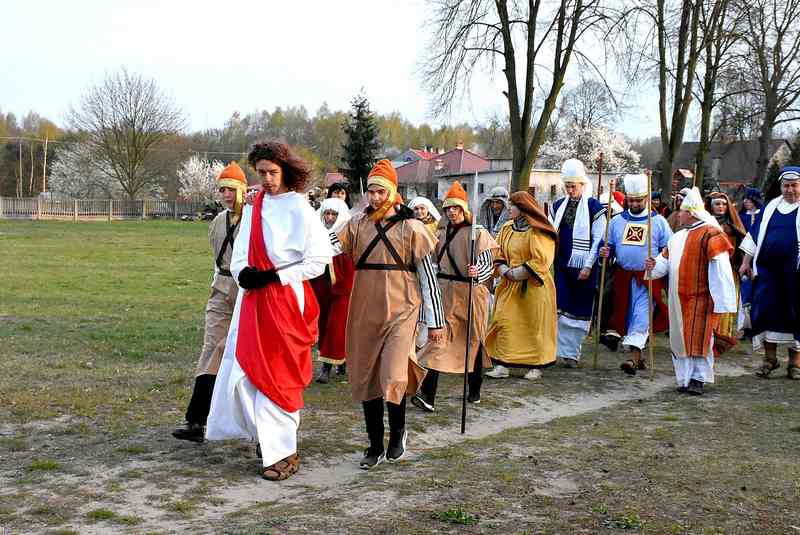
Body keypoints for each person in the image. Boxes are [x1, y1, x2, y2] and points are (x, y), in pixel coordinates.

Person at [206, 141, 333, 481]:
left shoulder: (301, 208)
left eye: (272, 172)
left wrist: (276, 276)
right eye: (261, 172)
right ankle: (267, 438)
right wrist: (243, 273)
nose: (266, 179)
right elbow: (240, 253)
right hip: (253, 300)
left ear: (285, 170)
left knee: (280, 376)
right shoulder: (254, 205)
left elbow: (318, 260)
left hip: (287, 299)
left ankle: (284, 451)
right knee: (247, 373)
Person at [334, 159, 445, 470]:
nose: (374, 197)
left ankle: (398, 433)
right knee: (366, 375)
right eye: (370, 191)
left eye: (380, 192)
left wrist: (435, 321)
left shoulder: (412, 228)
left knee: (394, 375)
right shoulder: (356, 225)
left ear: (393, 192)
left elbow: (428, 278)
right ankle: (374, 443)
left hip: (401, 311)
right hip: (364, 312)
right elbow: (325, 246)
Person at [173, 162, 248, 443]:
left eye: (231, 190)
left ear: (243, 190)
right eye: (222, 190)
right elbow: (217, 259)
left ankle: (254, 428)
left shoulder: (254, 220)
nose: (226, 195)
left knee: (245, 355)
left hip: (248, 292)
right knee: (211, 349)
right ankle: (195, 420)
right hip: (221, 288)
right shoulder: (217, 222)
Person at [413, 181, 498, 411]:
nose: (451, 212)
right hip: (446, 292)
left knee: (474, 340)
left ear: (463, 209)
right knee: (437, 340)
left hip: (472, 294)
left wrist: (477, 271)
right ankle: (428, 395)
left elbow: (488, 264)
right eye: (448, 208)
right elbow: (431, 260)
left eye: (455, 207)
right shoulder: (440, 233)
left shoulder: (478, 233)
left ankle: (475, 389)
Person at [645, 187, 737, 395]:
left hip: (702, 296)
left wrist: (722, 297)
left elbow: (720, 266)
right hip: (677, 298)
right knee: (680, 338)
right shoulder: (677, 237)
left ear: (692, 213)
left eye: (682, 211)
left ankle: (698, 378)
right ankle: (684, 378)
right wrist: (653, 265)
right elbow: (665, 261)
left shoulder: (711, 233)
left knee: (699, 337)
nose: (678, 215)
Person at [598, 174, 672, 374]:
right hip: (623, 277)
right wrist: (604, 253)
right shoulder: (615, 222)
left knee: (641, 316)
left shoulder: (658, 222)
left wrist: (657, 261)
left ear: (646, 198)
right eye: (631, 200)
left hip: (647, 278)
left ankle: (632, 359)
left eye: (639, 200)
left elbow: (670, 249)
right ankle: (638, 358)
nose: (635, 204)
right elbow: (607, 247)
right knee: (627, 316)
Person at [485, 191, 558, 379]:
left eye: (513, 205)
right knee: (504, 321)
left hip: (533, 286)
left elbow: (541, 259)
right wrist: (503, 270)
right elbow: (497, 251)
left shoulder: (538, 231)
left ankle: (536, 365)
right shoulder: (507, 228)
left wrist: (517, 273)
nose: (509, 208)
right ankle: (503, 364)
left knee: (533, 325)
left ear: (523, 209)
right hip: (509, 285)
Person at [739, 167, 800, 379]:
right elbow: (753, 237)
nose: (790, 190)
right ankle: (770, 359)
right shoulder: (770, 208)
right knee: (765, 312)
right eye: (786, 185)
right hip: (768, 273)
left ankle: (795, 363)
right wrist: (746, 262)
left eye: (794, 185)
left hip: (795, 273)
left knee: (795, 314)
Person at [548, 159, 606, 367]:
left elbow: (598, 239)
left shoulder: (593, 207)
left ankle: (572, 353)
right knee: (560, 307)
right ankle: (558, 351)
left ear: (582, 184)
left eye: (573, 186)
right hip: (562, 265)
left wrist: (588, 265)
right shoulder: (558, 206)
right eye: (567, 186)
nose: (570, 190)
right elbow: (550, 233)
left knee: (578, 310)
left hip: (584, 267)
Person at [310, 197, 355, 384]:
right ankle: (340, 362)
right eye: (326, 214)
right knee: (323, 324)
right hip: (321, 286)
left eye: (333, 214)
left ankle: (326, 367)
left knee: (336, 326)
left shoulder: (348, 234)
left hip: (343, 287)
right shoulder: (316, 233)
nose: (329, 218)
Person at [708, 192, 746, 348]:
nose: (721, 207)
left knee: (725, 301)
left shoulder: (733, 228)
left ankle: (722, 335)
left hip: (729, 270)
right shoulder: (706, 223)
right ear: (711, 206)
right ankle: (708, 333)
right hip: (709, 269)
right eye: (717, 204)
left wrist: (742, 265)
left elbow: (743, 248)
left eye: (724, 204)